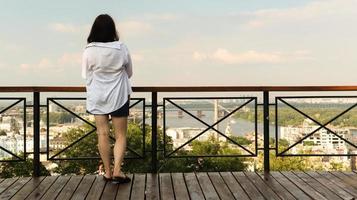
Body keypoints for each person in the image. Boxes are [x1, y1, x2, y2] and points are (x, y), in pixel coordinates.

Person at [82, 14, 133, 184]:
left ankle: (108, 172)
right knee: (120, 136)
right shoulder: (121, 48)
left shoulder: (89, 50)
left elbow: (86, 76)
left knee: (102, 134)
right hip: (118, 95)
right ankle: (118, 170)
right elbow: (130, 72)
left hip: (98, 96)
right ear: (113, 30)